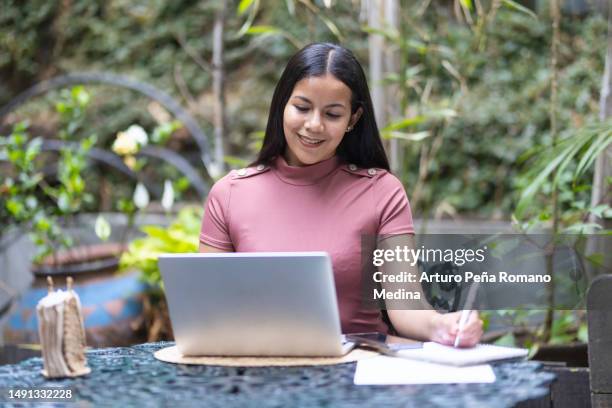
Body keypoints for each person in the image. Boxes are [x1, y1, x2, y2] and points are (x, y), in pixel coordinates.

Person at [199, 42, 483, 347]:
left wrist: (442, 326)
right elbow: (206, 311)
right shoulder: (230, 194)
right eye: (302, 108)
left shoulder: (382, 192)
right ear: (282, 104)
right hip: (258, 372)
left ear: (353, 118)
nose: (314, 125)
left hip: (359, 373)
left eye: (332, 114)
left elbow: (406, 305)